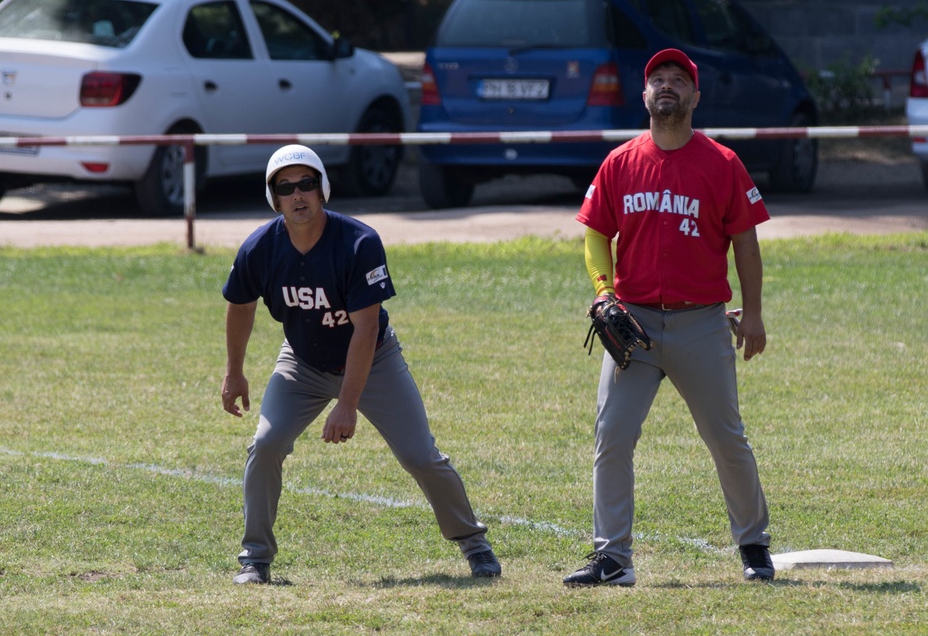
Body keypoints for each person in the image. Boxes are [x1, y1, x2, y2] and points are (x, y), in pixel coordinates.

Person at [220, 144, 501, 585]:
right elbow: (239, 305)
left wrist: (347, 403)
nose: (298, 195)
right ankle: (255, 560)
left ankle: (473, 542)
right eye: (286, 187)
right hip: (303, 360)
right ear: (274, 197)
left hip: (373, 357)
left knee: (419, 455)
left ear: (323, 189)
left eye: (307, 184)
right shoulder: (260, 247)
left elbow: (365, 330)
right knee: (266, 445)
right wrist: (234, 371)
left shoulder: (358, 242)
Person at [564, 48, 774, 587]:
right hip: (631, 323)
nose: (667, 87)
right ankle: (612, 558)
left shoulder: (722, 164)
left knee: (726, 437)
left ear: (695, 97)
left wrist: (753, 314)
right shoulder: (621, 162)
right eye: (658, 79)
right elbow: (594, 232)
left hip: (701, 323)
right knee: (612, 435)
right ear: (644, 95)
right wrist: (603, 291)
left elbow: (746, 244)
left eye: (679, 80)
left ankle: (754, 546)